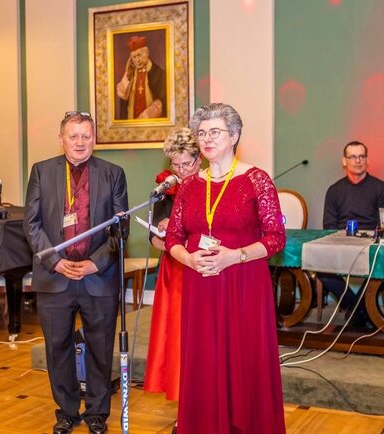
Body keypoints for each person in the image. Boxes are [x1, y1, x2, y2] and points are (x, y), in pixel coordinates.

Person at [166, 103, 286, 434]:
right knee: (204, 360)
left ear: (234, 136)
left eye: (214, 132)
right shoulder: (189, 185)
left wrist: (235, 256)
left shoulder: (256, 180)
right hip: (201, 285)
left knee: (244, 359)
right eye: (201, 133)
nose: (206, 139)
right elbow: (173, 238)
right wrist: (189, 259)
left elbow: (276, 238)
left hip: (243, 284)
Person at [24, 111, 128, 434]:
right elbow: (31, 225)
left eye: (86, 136)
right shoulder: (41, 171)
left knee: (100, 348)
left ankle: (97, 413)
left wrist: (97, 262)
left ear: (94, 139)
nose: (80, 142)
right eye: (73, 136)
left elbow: (120, 228)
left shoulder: (113, 174)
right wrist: (55, 261)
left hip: (98, 277)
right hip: (55, 277)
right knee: (57, 349)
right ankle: (67, 412)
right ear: (61, 139)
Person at [143, 129, 201, 423]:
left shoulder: (210, 185)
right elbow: (152, 237)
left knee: (200, 340)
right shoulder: (165, 188)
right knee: (177, 340)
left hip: (201, 268)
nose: (180, 171)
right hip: (174, 271)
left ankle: (206, 406)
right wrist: (166, 236)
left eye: (186, 164)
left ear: (200, 159)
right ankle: (184, 412)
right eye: (175, 164)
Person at [321, 141, 384, 327]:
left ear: (367, 160)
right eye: (352, 156)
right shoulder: (334, 190)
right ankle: (358, 309)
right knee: (318, 264)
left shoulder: (381, 188)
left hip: (371, 246)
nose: (358, 160)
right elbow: (329, 225)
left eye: (361, 156)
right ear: (344, 161)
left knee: (383, 264)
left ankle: (355, 311)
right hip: (341, 242)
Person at [116, 35, 167, 120]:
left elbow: (164, 100)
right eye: (134, 57)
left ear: (146, 53)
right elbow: (124, 101)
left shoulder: (159, 73)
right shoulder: (129, 75)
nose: (137, 60)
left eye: (139, 55)